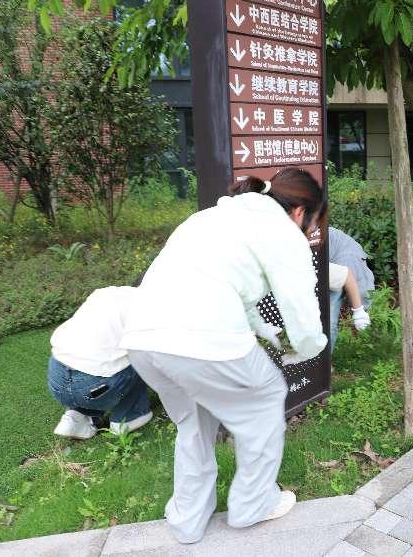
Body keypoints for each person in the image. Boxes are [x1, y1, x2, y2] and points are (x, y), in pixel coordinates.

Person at [120, 168, 327, 544]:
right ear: (300, 212)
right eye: (311, 223)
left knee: (194, 422)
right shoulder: (283, 232)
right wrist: (309, 346)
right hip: (202, 337)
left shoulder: (211, 217)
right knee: (265, 398)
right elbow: (301, 309)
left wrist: (264, 330)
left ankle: (187, 520)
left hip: (142, 337)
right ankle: (254, 505)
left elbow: (229, 287)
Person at [47, 286, 153, 439]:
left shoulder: (105, 292)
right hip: (95, 386)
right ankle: (128, 417)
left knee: (100, 360)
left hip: (57, 379)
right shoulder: (148, 307)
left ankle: (77, 416)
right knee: (142, 356)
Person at [327, 226, 374, 351]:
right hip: (328, 258)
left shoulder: (342, 267)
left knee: (328, 322)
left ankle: (323, 360)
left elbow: (348, 276)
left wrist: (359, 311)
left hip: (343, 259)